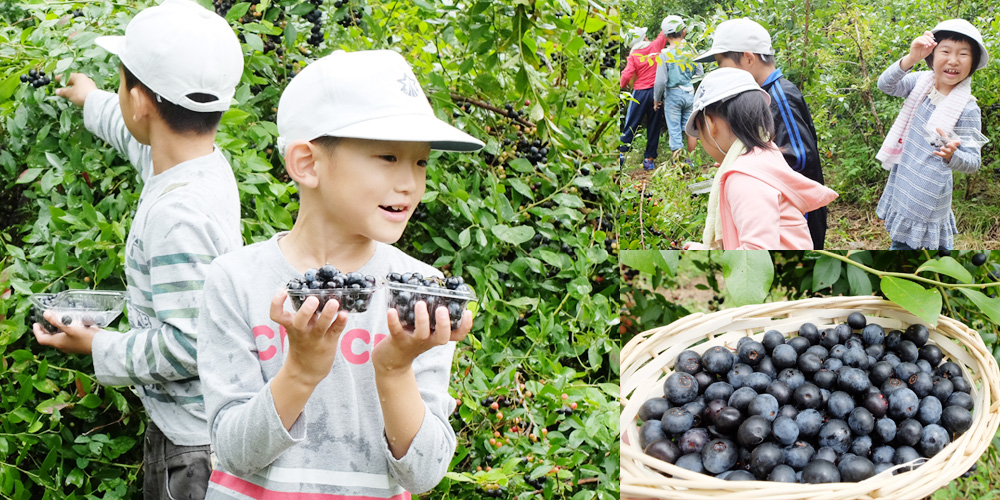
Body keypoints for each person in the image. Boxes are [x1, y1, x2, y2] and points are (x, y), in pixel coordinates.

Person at [197, 49, 484, 499]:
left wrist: (394, 367)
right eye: (388, 157)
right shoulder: (236, 280)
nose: (410, 182)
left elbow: (424, 473)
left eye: (421, 162)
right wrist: (301, 371)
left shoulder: (419, 297)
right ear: (307, 164)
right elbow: (232, 452)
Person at [33, 0, 244, 498]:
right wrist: (92, 99)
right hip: (191, 429)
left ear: (142, 101)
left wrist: (98, 346)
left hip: (191, 449)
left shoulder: (177, 217)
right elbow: (142, 142)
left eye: (120, 81)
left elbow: (191, 344)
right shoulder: (201, 164)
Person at [695, 18, 829, 249]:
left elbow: (801, 157)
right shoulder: (760, 97)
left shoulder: (780, 96)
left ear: (748, 58)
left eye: (721, 63)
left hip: (797, 218)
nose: (719, 71)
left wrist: (753, 171)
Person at [682, 68, 837, 250]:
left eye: (699, 132)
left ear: (710, 124)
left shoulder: (744, 178)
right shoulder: (766, 156)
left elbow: (757, 256)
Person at [874, 20, 988, 251]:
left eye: (963, 54)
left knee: (907, 249)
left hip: (928, 196)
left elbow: (973, 161)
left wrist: (952, 155)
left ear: (973, 63)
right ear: (932, 56)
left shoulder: (967, 109)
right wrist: (911, 58)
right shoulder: (920, 84)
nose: (953, 60)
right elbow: (885, 85)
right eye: (945, 51)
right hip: (904, 181)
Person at [620, 18, 670, 170]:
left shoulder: (634, 55)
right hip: (656, 93)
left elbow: (626, 75)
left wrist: (620, 86)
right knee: (654, 125)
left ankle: (621, 154)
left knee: (631, 124)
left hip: (639, 93)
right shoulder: (655, 46)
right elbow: (665, 32)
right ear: (644, 38)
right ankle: (649, 159)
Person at [653, 17, 701, 156]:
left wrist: (657, 99)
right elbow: (699, 73)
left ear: (665, 35)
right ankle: (691, 160)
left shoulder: (664, 54)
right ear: (684, 31)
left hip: (673, 95)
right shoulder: (691, 50)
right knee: (690, 128)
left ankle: (678, 164)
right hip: (690, 93)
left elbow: (660, 81)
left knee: (674, 129)